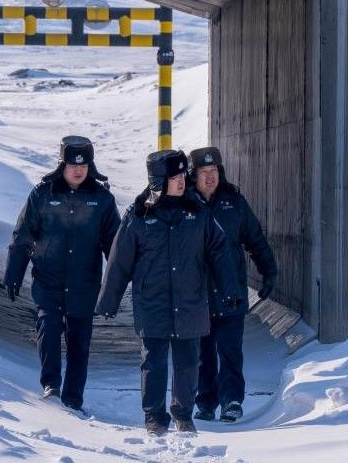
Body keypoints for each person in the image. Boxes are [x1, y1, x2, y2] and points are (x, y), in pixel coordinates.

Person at [95, 149, 241, 436]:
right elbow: (119, 261)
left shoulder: (198, 213)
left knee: (188, 363)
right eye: (173, 177)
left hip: (190, 301)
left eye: (181, 176)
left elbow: (219, 253)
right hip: (153, 302)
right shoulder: (138, 216)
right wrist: (108, 301)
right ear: (158, 181)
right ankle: (154, 417)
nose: (181, 182)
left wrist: (230, 290)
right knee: (154, 362)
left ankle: (183, 414)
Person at [4, 136, 121, 412]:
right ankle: (51, 386)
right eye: (72, 165)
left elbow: (115, 246)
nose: (78, 170)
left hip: (84, 284)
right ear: (62, 165)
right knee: (49, 328)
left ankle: (73, 399)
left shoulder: (102, 200)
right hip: (49, 281)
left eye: (84, 165)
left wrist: (116, 284)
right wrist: (14, 272)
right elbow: (23, 236)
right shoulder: (43, 194)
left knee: (80, 344)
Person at [187, 146, 278, 423]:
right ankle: (205, 402)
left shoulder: (234, 202)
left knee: (230, 351)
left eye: (214, 171)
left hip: (231, 292)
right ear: (194, 176)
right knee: (202, 354)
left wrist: (269, 271)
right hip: (198, 294)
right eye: (204, 172)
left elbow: (255, 238)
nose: (210, 177)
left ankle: (232, 401)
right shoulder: (185, 204)